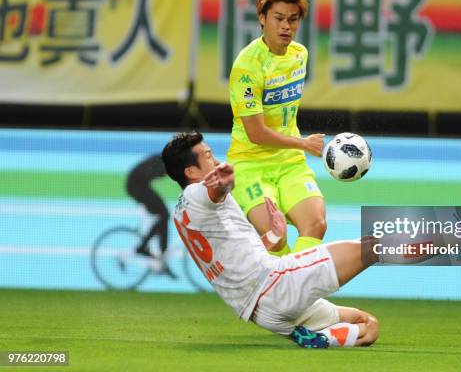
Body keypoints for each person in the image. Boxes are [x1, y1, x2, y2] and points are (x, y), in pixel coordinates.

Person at [161, 131, 380, 348]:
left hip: (262, 313)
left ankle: (320, 339)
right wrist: (225, 179)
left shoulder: (180, 214)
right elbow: (216, 189)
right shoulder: (197, 193)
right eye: (208, 156)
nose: (216, 160)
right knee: (372, 247)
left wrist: (273, 236)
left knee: (368, 325)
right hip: (275, 285)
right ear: (190, 171)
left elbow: (233, 257)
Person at [227, 0, 326, 256]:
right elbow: (256, 133)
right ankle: (284, 293)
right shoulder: (247, 66)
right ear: (262, 18)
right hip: (250, 165)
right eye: (279, 18)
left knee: (316, 224)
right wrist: (304, 144)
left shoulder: (299, 54)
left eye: (293, 20)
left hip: (289, 163)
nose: (286, 26)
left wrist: (298, 148)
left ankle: (298, 291)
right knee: (276, 237)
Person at [127, 155, 175, 278]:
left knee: (164, 216)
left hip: (139, 185)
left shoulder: (166, 161)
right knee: (164, 215)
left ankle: (162, 257)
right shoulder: (166, 163)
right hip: (137, 187)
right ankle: (143, 247)